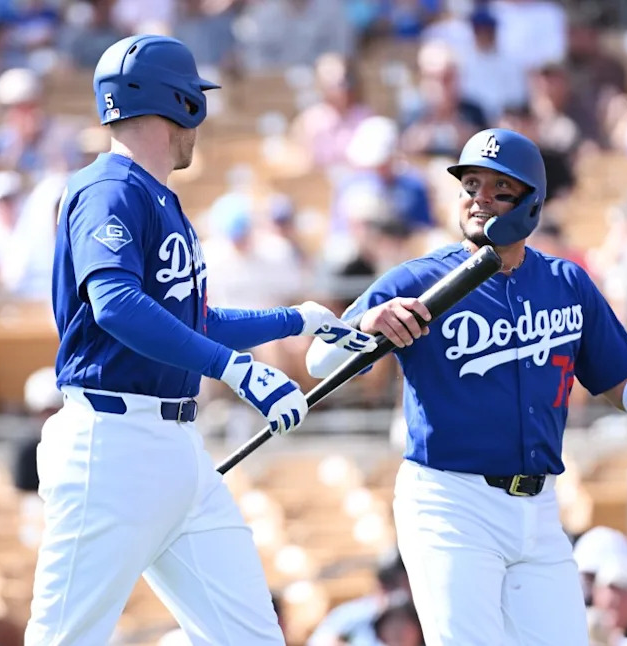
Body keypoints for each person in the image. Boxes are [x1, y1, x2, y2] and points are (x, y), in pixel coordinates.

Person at [306, 128, 627, 646]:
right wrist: (365, 328)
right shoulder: (417, 279)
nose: (479, 198)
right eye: (470, 184)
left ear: (531, 203)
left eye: (499, 188)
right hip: (451, 502)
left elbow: (625, 383)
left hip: (540, 508)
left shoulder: (567, 282)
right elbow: (321, 361)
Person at [24, 34, 378, 646]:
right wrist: (239, 371)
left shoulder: (158, 196)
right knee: (64, 640)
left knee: (251, 638)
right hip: (111, 446)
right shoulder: (109, 187)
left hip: (175, 449)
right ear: (181, 103)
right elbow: (117, 307)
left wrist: (294, 321)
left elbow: (189, 322)